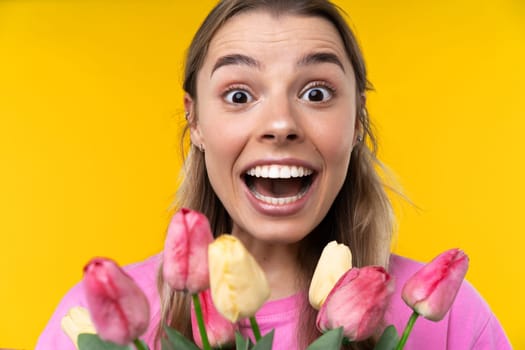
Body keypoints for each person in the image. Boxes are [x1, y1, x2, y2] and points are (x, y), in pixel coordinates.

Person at [36, 1, 511, 349]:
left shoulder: (450, 321)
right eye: (240, 95)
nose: (281, 124)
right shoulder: (96, 319)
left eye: (318, 93)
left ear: (357, 121)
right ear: (195, 121)